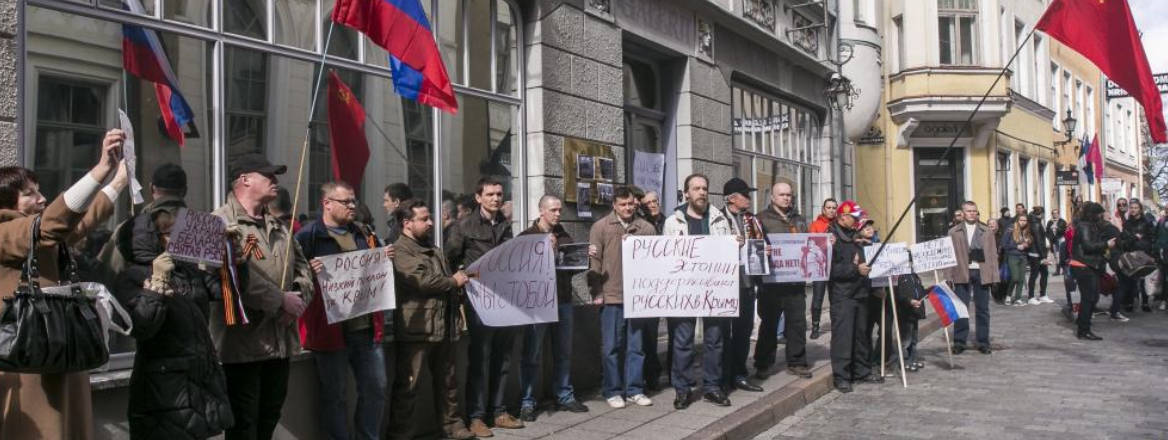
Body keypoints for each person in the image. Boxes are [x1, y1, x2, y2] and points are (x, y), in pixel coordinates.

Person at [0, 129, 127, 439]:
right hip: (28, 361)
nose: (41, 198)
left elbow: (80, 222)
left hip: (55, 351)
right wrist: (99, 171)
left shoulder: (38, 233)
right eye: (29, 192)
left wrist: (119, 181)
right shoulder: (7, 231)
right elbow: (51, 224)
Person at [108, 164, 233, 439]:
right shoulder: (135, 274)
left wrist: (231, 261)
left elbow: (220, 293)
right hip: (164, 388)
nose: (182, 239)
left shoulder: (187, 267)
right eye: (173, 234)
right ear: (158, 238)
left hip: (199, 379)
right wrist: (158, 284)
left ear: (154, 189)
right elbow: (142, 327)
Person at [213, 154, 314, 440]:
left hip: (280, 340)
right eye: (268, 175)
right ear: (244, 179)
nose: (276, 181)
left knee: (269, 415)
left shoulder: (280, 226)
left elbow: (304, 268)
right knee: (243, 423)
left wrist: (297, 299)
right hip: (241, 344)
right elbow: (224, 276)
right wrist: (278, 300)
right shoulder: (218, 221)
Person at [295, 182, 389, 440]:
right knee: (334, 396)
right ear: (327, 203)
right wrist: (307, 272)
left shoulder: (364, 233)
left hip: (366, 329)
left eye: (353, 201)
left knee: (376, 390)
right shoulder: (307, 236)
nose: (352, 206)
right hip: (330, 331)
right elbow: (291, 279)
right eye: (345, 201)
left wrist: (383, 258)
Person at [388, 199, 476, 440]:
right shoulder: (400, 250)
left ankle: (453, 426)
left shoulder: (434, 249)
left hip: (443, 326)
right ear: (407, 223)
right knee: (408, 386)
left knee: (448, 383)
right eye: (424, 219)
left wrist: (457, 281)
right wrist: (453, 282)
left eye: (430, 218)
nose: (430, 222)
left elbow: (444, 276)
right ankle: (400, 434)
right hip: (417, 329)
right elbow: (421, 280)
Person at [445, 177, 523, 437]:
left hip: (505, 301)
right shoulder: (463, 226)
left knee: (503, 357)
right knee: (481, 358)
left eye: (499, 194)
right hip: (479, 301)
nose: (496, 198)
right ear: (478, 198)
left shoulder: (504, 225)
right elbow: (451, 258)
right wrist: (462, 277)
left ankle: (498, 411)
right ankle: (476, 417)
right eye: (490, 194)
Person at [662, 174, 734, 408]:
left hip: (714, 288)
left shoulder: (720, 219)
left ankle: (713, 386)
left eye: (704, 188)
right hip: (685, 289)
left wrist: (736, 244)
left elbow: (727, 252)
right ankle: (682, 389)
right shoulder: (673, 221)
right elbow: (666, 256)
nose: (702, 192)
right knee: (683, 341)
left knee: (715, 340)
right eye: (696, 189)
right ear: (687, 193)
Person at [518, 195, 590, 421]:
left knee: (563, 352)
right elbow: (520, 270)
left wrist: (582, 258)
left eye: (559, 210)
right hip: (537, 304)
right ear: (541, 211)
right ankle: (528, 401)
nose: (558, 214)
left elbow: (570, 269)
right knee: (532, 353)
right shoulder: (526, 237)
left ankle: (564, 395)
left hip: (563, 300)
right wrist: (543, 250)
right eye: (553, 210)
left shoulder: (564, 235)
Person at [588, 187, 657, 410]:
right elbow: (594, 263)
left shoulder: (646, 228)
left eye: (631, 204)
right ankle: (612, 390)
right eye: (623, 204)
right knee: (612, 346)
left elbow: (656, 261)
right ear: (614, 205)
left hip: (638, 297)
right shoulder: (600, 227)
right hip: (611, 294)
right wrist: (596, 291)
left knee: (636, 346)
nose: (627, 208)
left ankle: (634, 389)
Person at [754, 182, 812, 381]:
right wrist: (763, 250)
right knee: (769, 325)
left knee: (797, 324)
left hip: (795, 283)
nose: (786, 198)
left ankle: (797, 362)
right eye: (782, 195)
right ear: (772, 197)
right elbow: (755, 247)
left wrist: (824, 243)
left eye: (789, 195)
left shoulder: (799, 220)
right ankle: (763, 363)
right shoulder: (761, 219)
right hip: (771, 283)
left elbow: (809, 243)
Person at [718, 178, 767, 393]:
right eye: (745, 195)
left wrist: (765, 251)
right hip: (725, 283)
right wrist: (729, 242)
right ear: (731, 199)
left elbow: (762, 243)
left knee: (743, 330)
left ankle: (739, 373)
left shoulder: (752, 220)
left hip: (747, 283)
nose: (749, 198)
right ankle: (722, 374)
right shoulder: (717, 218)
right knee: (722, 333)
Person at [827, 200, 878, 393]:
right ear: (843, 217)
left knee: (861, 335)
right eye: (855, 218)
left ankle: (862, 371)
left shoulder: (855, 237)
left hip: (860, 292)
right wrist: (855, 269)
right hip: (843, 295)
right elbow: (830, 269)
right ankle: (842, 376)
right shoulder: (830, 238)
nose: (858, 221)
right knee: (843, 337)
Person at [943, 201, 1000, 355]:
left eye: (974, 211)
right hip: (962, 271)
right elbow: (949, 255)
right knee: (961, 308)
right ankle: (960, 341)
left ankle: (983, 341)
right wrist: (948, 276)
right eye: (968, 211)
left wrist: (995, 277)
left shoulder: (986, 231)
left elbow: (993, 255)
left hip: (981, 271)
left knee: (983, 309)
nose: (972, 213)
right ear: (962, 213)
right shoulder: (954, 232)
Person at [1069, 202, 1114, 340]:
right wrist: (1106, 244)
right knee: (1089, 298)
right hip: (1083, 266)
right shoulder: (1084, 226)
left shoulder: (1090, 225)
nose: (1101, 216)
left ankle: (1083, 323)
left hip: (1090, 265)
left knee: (1092, 297)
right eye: (1100, 213)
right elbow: (1088, 246)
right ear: (1093, 214)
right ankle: (1083, 330)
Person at [637, 189, 666, 390]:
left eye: (655, 201)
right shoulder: (640, 226)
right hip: (647, 285)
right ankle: (650, 374)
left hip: (668, 282)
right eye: (648, 203)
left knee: (665, 330)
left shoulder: (669, 222)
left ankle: (663, 372)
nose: (653, 205)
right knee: (647, 333)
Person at [1112, 199, 1156, 320]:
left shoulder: (1147, 222)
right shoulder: (1127, 223)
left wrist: (1152, 254)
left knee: (1144, 278)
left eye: (1136, 208)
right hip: (1131, 253)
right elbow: (1125, 239)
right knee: (1131, 277)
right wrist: (1134, 238)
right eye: (1131, 208)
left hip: (1144, 253)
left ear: (1140, 209)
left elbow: (1152, 238)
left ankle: (1145, 302)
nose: (1133, 210)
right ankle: (1131, 302)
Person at [808, 198, 838, 339]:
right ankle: (815, 326)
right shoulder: (816, 224)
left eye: (834, 207)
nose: (831, 210)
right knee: (818, 297)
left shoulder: (839, 224)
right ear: (823, 209)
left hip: (835, 266)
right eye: (829, 207)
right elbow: (811, 243)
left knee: (835, 297)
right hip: (820, 265)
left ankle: (836, 324)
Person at [999, 214, 1033, 306]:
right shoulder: (1011, 228)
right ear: (1017, 220)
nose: (1023, 222)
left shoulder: (1026, 230)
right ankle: (1008, 295)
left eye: (1025, 220)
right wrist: (1016, 246)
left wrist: (1027, 244)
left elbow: (1030, 241)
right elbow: (1004, 243)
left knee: (1021, 279)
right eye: (1021, 220)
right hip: (1013, 256)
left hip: (1023, 257)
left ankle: (1018, 298)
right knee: (1015, 277)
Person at [1026, 207, 1052, 304]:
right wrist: (1043, 256)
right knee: (1034, 274)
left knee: (1044, 273)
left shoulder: (1037, 222)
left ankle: (1043, 295)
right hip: (1035, 254)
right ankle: (1031, 297)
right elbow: (1038, 241)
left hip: (1039, 252)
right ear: (1041, 214)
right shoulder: (1035, 223)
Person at [1047, 208, 1068, 275]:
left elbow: (1064, 231)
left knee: (1062, 255)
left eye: (1056, 213)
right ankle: (1058, 270)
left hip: (1061, 240)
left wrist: (1057, 228)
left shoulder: (1062, 221)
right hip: (1053, 241)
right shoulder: (1050, 222)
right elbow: (1047, 231)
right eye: (1053, 213)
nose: (1055, 215)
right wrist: (1049, 237)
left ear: (1058, 214)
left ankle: (1064, 270)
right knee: (1056, 256)